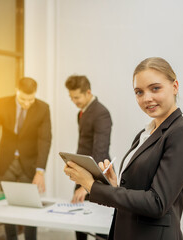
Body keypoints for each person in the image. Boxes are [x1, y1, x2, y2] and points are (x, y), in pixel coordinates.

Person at [64, 57, 183, 240]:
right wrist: (114, 186)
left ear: (175, 86)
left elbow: (157, 203)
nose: (147, 98)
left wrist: (90, 185)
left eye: (155, 88)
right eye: (139, 92)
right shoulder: (145, 133)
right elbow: (140, 190)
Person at [0, 77, 52, 240]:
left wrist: (40, 171)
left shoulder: (43, 108)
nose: (27, 103)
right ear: (16, 91)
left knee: (30, 207)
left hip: (30, 164)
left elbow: (45, 140)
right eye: (22, 99)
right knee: (8, 206)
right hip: (7, 163)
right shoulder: (1, 103)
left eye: (30, 99)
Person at [65, 75, 112, 240]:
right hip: (81, 174)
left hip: (98, 177)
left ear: (88, 92)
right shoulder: (81, 113)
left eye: (77, 97)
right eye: (71, 97)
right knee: (79, 221)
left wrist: (86, 185)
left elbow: (100, 152)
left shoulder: (101, 113)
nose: (74, 101)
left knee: (100, 226)